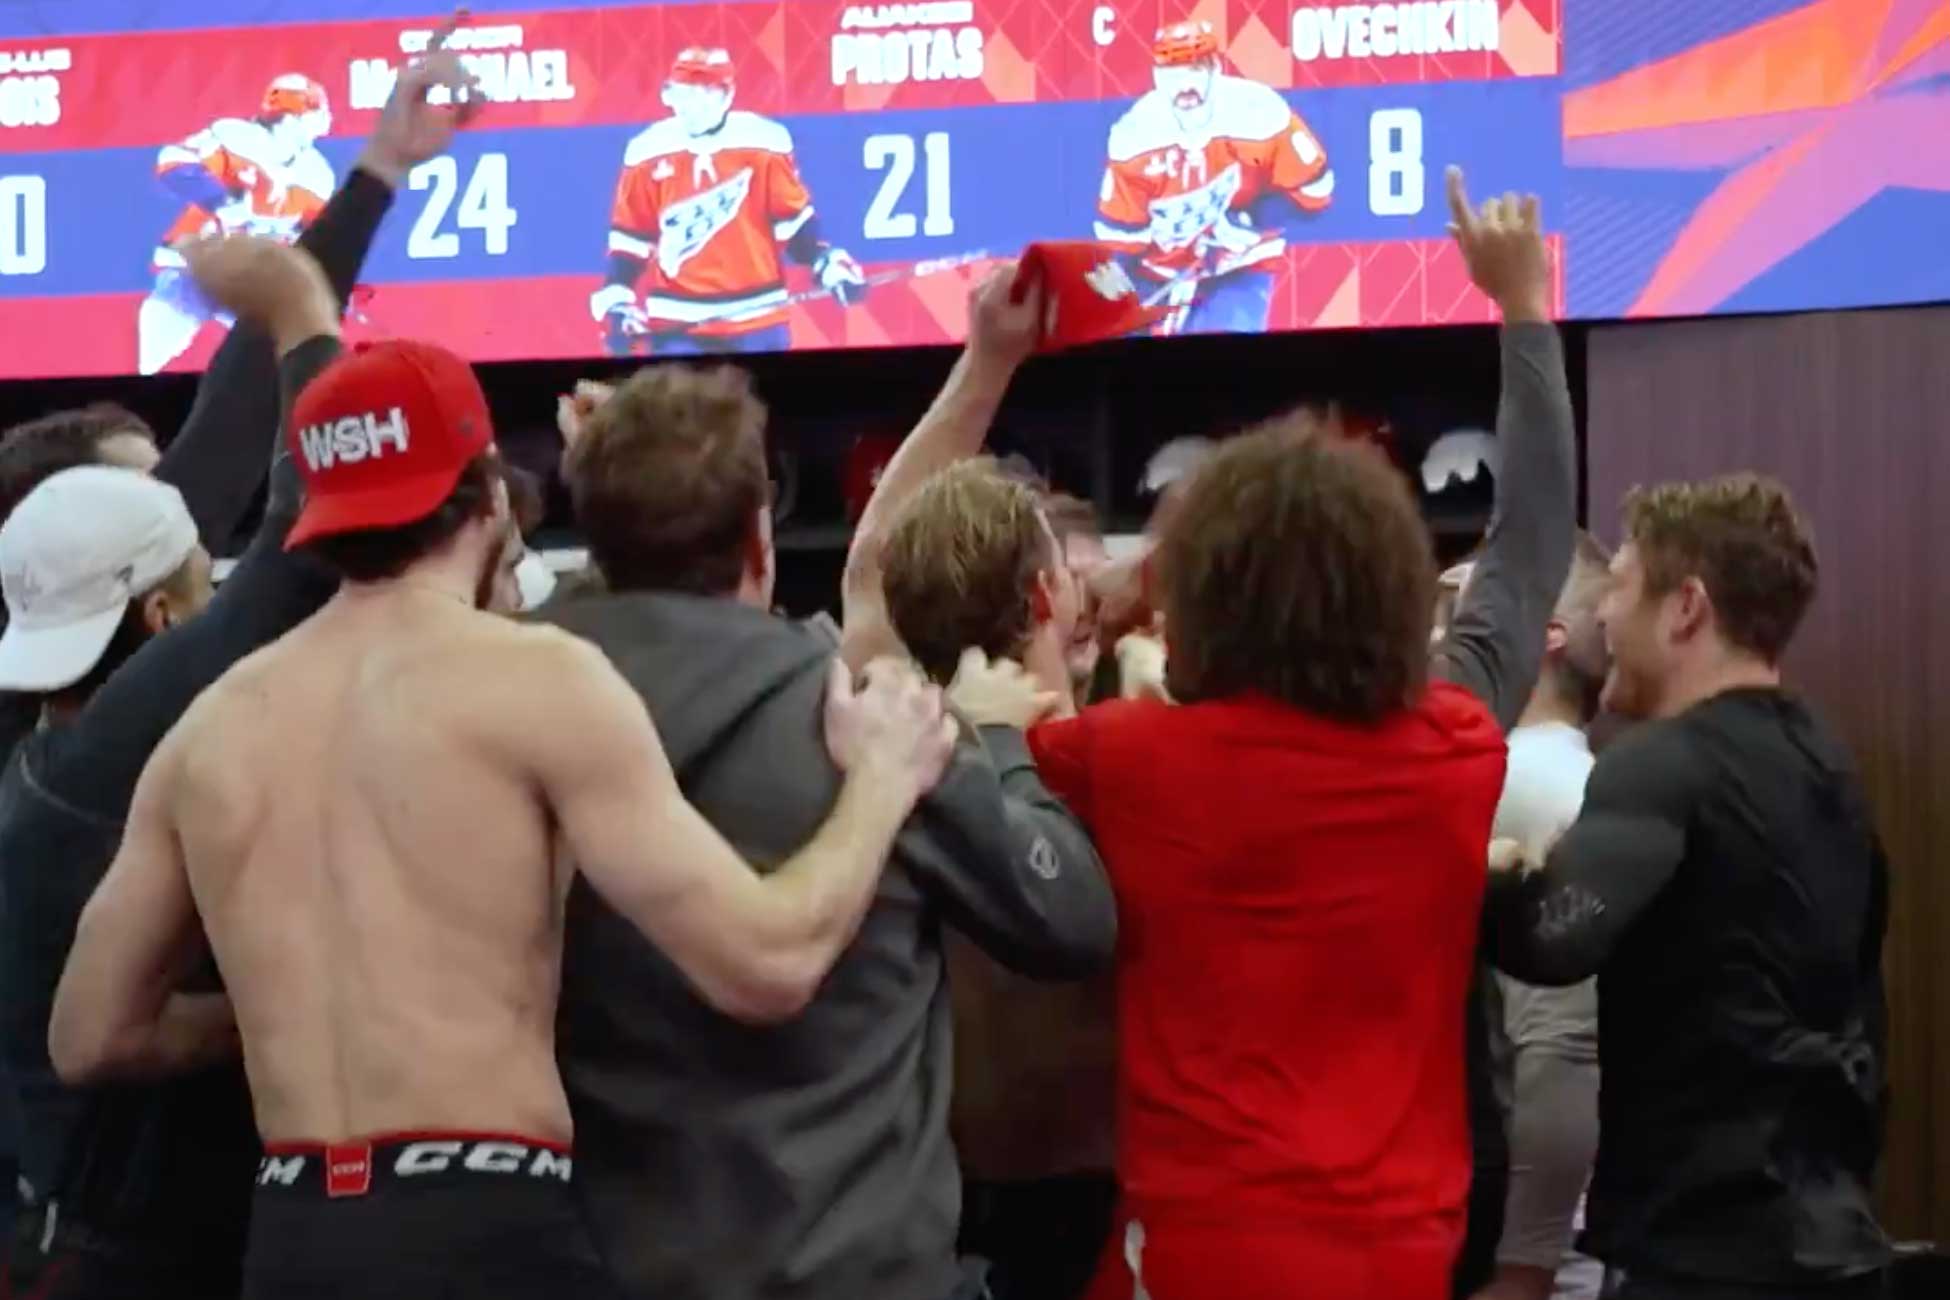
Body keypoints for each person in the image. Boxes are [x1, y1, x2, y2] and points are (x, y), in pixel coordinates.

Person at [50, 297, 962, 1297]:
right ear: (487, 494)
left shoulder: (210, 729)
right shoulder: (537, 679)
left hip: (294, 1231)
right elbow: (768, 962)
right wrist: (881, 782)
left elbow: (91, 1033)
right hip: (484, 1225)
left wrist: (284, 1004)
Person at [1004, 168, 1573, 1300]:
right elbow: (1527, 553)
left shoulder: (1126, 755)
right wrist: (1524, 310)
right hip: (1400, 1261)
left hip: (1188, 1257)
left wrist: (1092, 602)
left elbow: (984, 733)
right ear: (1395, 582)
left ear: (1202, 600)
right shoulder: (1453, 746)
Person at [0, 40, 478, 1299]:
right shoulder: (118, 748)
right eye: (181, 543)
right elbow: (305, 525)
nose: (205, 530)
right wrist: (283, 1004)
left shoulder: (59, 730)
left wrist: (370, 178)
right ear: (163, 611)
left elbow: (230, 432)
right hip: (130, 1260)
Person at [538, 274, 1114, 1300]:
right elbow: (1069, 911)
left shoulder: (499, 713)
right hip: (857, 1265)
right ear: (761, 544)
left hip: (600, 1260)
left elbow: (869, 577)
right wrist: (998, 747)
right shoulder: (867, 722)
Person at [1482, 476, 1890, 1300]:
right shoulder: (1830, 766)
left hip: (1705, 1257)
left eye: (1622, 585)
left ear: (1686, 608)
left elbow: (1554, 940)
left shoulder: (1663, 763)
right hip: (1831, 1241)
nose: (1603, 615)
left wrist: (1495, 871)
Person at [1468, 535, 1613, 1300]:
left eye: (1464, 606)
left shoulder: (1520, 778)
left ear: (1540, 632)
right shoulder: (1566, 774)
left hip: (1542, 1257)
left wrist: (1526, 1268)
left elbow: (1561, 1047)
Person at [590, 46, 866, 357]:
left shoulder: (764, 142)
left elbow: (795, 225)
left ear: (727, 96)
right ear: (669, 95)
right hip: (677, 323)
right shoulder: (646, 150)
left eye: (704, 93)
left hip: (758, 318)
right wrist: (617, 300)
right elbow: (630, 239)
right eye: (682, 94)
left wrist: (827, 265)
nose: (691, 105)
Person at [1095, 19, 1334, 335]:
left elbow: (1317, 191)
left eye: (1195, 69)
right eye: (1172, 73)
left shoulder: (1261, 113)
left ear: (1215, 69)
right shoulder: (1134, 137)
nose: (1184, 85)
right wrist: (1111, 296)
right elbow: (1123, 240)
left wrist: (1253, 220)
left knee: (1225, 363)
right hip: (1157, 274)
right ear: (1156, 77)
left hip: (1241, 262)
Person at [140, 73, 335, 374]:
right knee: (152, 353)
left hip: (250, 281)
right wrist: (222, 202)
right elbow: (172, 162)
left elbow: (315, 236)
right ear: (298, 114)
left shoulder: (317, 174)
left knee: (286, 356)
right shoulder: (237, 136)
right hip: (194, 266)